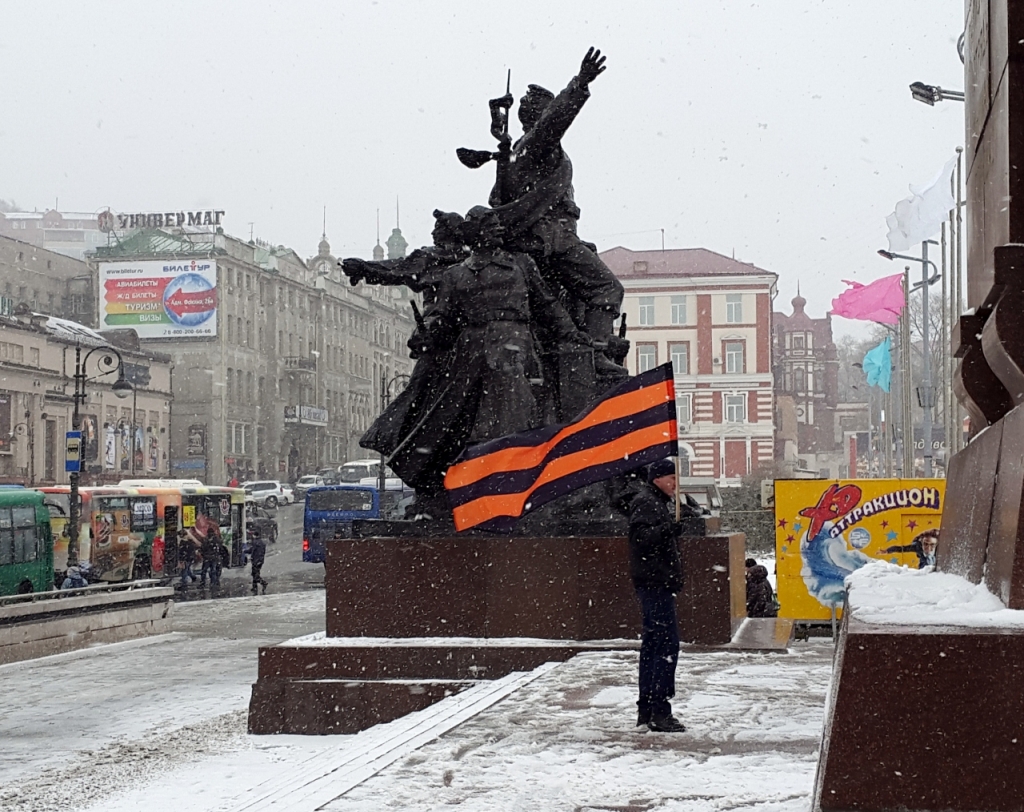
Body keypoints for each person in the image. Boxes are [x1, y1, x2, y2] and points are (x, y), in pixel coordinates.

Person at [483, 48, 625, 370]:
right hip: (551, 238)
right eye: (548, 114)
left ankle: (578, 350)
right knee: (606, 288)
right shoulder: (537, 145)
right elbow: (555, 120)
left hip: (538, 240)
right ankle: (597, 357)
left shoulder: (517, 151)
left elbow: (499, 201)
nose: (554, 123)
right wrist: (580, 83)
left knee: (564, 306)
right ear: (542, 117)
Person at [627, 457, 689, 733]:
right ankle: (658, 710)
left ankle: (649, 709)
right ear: (657, 479)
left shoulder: (655, 503)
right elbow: (640, 539)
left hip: (657, 584)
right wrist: (668, 530)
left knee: (656, 647)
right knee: (664, 647)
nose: (676, 483)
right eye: (671, 478)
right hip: (655, 585)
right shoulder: (647, 503)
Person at [193, 512, 223, 587]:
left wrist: (203, 553)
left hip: (207, 558)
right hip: (214, 557)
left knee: (204, 571)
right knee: (213, 570)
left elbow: (203, 547)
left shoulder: (206, 539)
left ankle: (203, 583)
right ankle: (213, 582)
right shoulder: (217, 539)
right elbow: (220, 546)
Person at [249, 530, 268, 595]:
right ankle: (254, 587)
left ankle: (263, 583)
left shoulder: (255, 542)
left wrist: (245, 551)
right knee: (255, 573)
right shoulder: (262, 542)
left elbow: (252, 550)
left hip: (256, 561)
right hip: (260, 560)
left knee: (255, 575)